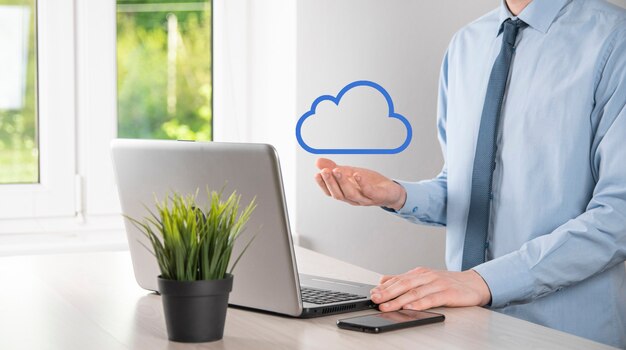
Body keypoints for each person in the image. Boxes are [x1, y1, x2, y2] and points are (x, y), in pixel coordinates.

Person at [313, 0, 626, 347]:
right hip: (465, 330)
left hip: (566, 336)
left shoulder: (614, 38)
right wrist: (397, 194)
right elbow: (473, 189)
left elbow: (618, 216)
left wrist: (483, 281)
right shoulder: (466, 45)